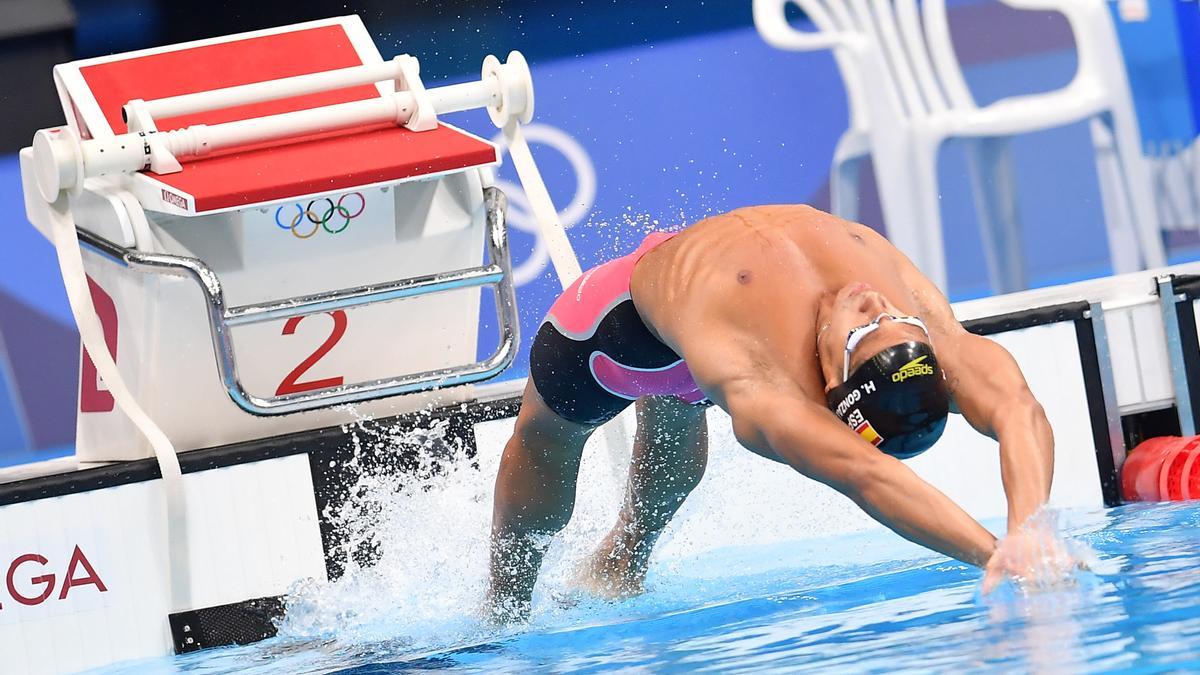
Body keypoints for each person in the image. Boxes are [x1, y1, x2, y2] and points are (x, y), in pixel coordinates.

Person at [486, 204, 1060, 622]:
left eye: (866, 331)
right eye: (898, 321)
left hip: (630, 338)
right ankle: (505, 602)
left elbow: (869, 475)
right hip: (645, 308)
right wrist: (1025, 532)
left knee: (653, 426)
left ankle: (612, 566)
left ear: (833, 383)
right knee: (546, 440)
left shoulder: (766, 392)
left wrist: (997, 557)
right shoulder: (923, 330)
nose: (874, 303)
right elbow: (1017, 406)